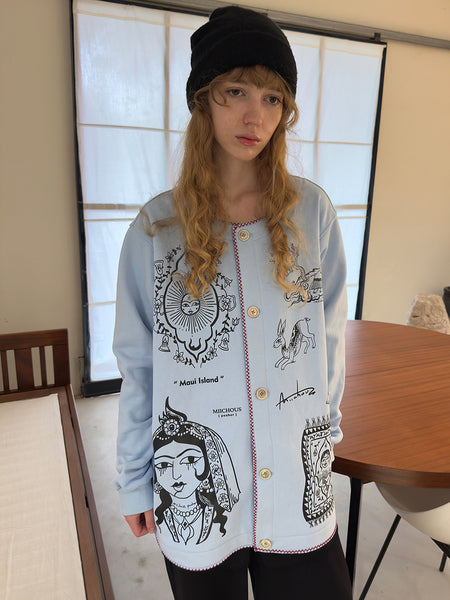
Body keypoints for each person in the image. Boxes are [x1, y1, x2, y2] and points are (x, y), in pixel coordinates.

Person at [113, 5, 351, 599]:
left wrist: (324, 440)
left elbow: (329, 337)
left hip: (296, 484)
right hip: (195, 490)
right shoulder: (156, 230)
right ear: (203, 100)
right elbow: (139, 366)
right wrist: (136, 479)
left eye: (273, 98)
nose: (255, 116)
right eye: (237, 91)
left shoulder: (312, 214)